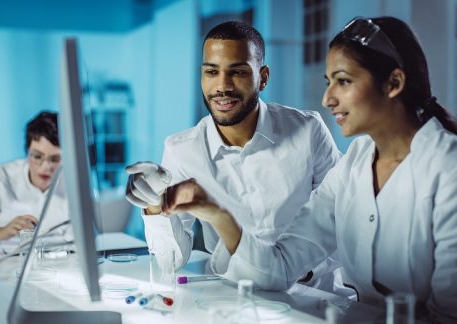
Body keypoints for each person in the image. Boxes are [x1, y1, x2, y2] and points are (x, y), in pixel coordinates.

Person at [162, 16, 457, 322]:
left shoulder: (447, 169)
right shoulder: (354, 165)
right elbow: (280, 268)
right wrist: (216, 213)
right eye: (328, 82)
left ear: (393, 83)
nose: (328, 99)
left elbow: (448, 315)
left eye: (343, 81)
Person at [126, 21, 353, 296]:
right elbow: (169, 261)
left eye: (238, 72)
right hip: (233, 297)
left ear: (263, 77)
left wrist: (296, 269)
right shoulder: (180, 150)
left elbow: (345, 222)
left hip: (313, 294)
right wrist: (153, 206)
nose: (222, 86)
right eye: (211, 72)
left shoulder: (308, 130)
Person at [0, 111, 69, 246]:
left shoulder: (73, 183)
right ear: (27, 152)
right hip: (0, 263)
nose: (46, 167)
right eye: (37, 156)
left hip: (58, 264)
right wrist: (2, 232)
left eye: (55, 159)